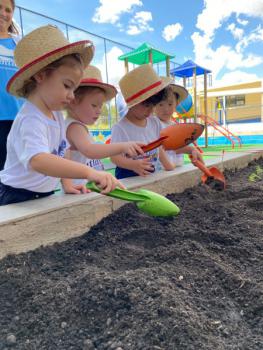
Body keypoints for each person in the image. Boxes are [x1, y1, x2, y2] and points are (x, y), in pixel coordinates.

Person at [0, 25, 124, 206]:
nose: (72, 95)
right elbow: (39, 160)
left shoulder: (56, 114)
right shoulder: (30, 118)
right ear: (41, 76)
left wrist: (67, 182)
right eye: (67, 85)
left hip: (42, 193)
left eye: (74, 88)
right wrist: (88, 172)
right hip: (16, 196)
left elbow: (62, 151)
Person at [64, 65, 144, 190]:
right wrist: (123, 146)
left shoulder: (77, 126)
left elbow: (65, 158)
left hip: (85, 187)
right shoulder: (74, 127)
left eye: (100, 106)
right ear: (73, 101)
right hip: (81, 188)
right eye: (94, 105)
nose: (99, 111)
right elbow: (90, 150)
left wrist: (67, 185)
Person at [110, 64, 175, 179]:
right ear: (132, 104)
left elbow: (158, 147)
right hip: (128, 178)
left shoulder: (154, 122)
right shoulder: (121, 128)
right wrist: (133, 165)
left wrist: (168, 166)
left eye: (153, 106)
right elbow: (114, 157)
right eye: (146, 106)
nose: (150, 111)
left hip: (150, 175)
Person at [155, 82, 204, 167]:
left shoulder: (174, 125)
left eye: (170, 104)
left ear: (176, 104)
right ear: (153, 105)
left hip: (175, 167)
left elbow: (176, 148)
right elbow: (161, 148)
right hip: (161, 170)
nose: (166, 109)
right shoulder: (154, 124)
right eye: (160, 104)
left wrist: (192, 149)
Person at [0, 0, 24, 170]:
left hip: (19, 119)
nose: (3, 13)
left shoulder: (20, 45)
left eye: (8, 10)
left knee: (21, 172)